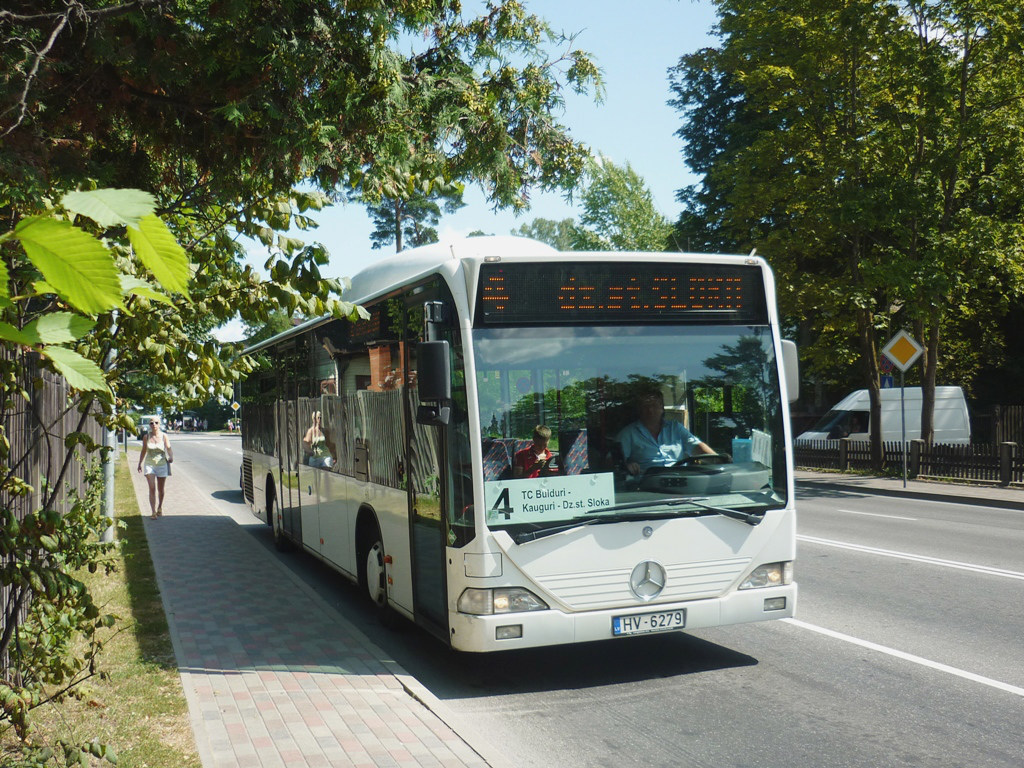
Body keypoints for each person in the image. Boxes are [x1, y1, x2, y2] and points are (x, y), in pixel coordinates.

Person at [617, 390, 715, 475]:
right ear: (639, 410)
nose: (650, 410)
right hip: (646, 485)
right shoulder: (628, 433)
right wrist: (627, 466)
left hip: (680, 482)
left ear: (662, 408)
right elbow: (613, 463)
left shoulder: (676, 428)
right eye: (645, 406)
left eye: (654, 405)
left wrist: (719, 460)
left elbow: (698, 448)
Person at [137, 417, 173, 518]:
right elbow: (144, 450)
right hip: (149, 464)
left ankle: (160, 507)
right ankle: (153, 512)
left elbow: (169, 448)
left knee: (160, 489)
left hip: (162, 465)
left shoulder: (164, 436)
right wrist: (139, 463)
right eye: (151, 423)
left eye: (156, 423)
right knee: (152, 488)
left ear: (159, 424)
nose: (154, 425)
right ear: (149, 425)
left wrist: (171, 457)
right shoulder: (146, 437)